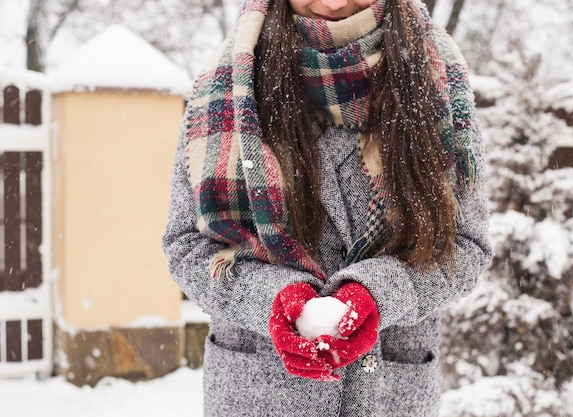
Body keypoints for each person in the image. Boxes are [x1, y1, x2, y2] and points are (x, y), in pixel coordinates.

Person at [162, 0, 492, 415]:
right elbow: (188, 245)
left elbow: (466, 244)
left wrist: (379, 294)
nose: (334, 3)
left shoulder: (437, 85)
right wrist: (271, 299)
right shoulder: (226, 91)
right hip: (257, 395)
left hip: (388, 394)